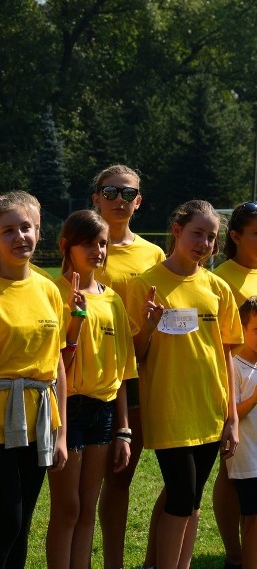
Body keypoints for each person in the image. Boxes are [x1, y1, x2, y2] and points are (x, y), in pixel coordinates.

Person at [126, 199, 241, 569]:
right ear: (177, 231)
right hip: (169, 407)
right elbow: (136, 353)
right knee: (181, 495)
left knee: (191, 501)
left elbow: (225, 355)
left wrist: (232, 415)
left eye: (211, 237)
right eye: (197, 233)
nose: (204, 243)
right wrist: (147, 322)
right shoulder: (146, 285)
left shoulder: (217, 288)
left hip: (210, 410)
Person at [0, 191, 67, 569]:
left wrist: (61, 432)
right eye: (8, 231)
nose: (20, 237)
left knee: (22, 527)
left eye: (26, 228)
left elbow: (57, 365)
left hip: (39, 421)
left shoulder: (49, 288)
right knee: (6, 521)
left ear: (38, 231)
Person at [45, 210, 136, 569]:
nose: (98, 250)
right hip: (66, 407)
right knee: (66, 508)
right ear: (66, 246)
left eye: (103, 243)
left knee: (87, 505)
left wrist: (124, 430)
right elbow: (54, 367)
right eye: (89, 243)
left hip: (103, 410)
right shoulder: (52, 293)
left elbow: (124, 370)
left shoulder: (112, 300)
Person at [92, 164, 167, 569]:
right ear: (96, 199)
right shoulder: (87, 245)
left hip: (139, 373)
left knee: (122, 475)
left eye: (127, 193)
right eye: (110, 191)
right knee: (89, 483)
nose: (119, 200)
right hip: (96, 376)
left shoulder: (153, 253)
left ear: (138, 202)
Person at [213, 201, 257, 569]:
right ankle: (234, 552)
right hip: (233, 384)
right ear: (236, 236)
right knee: (230, 472)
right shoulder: (223, 277)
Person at [228, 297, 257, 569]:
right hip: (248, 461)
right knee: (253, 520)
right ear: (243, 329)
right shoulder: (235, 366)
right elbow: (233, 412)